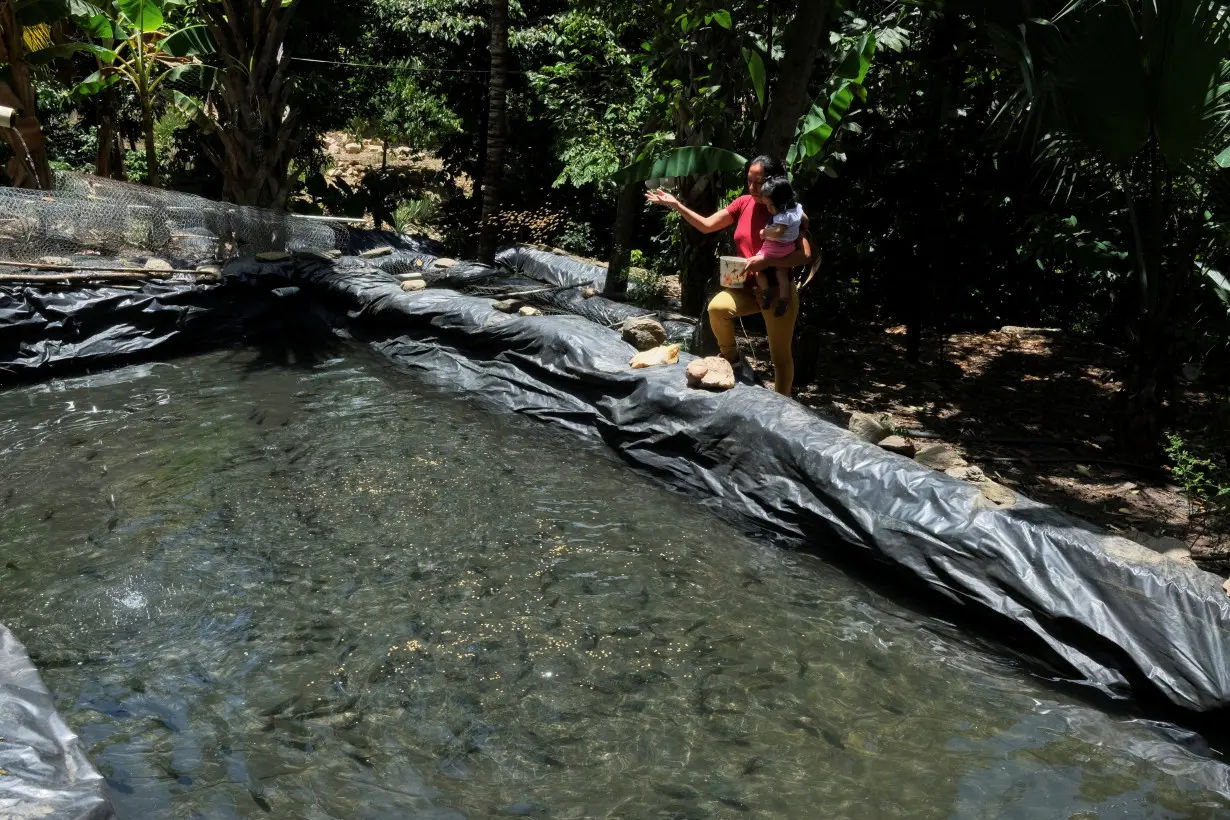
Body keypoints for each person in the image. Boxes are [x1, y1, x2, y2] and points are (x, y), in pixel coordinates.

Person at [644, 155, 814, 395]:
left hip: (778, 291)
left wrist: (767, 261)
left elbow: (804, 255)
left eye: (759, 182)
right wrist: (676, 204)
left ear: (773, 182)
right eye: (749, 181)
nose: (753, 188)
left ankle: (781, 406)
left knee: (780, 357)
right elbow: (706, 225)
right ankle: (732, 359)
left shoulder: (784, 210)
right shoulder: (743, 203)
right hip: (747, 289)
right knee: (717, 309)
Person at [747, 175, 804, 317]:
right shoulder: (797, 208)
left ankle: (766, 291)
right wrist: (800, 230)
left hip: (774, 247)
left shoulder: (782, 215)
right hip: (788, 248)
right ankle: (784, 300)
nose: (768, 209)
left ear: (781, 202)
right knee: (782, 274)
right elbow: (805, 219)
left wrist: (764, 232)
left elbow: (778, 232)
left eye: (770, 205)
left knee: (756, 268)